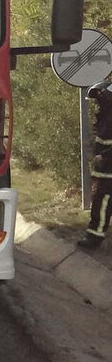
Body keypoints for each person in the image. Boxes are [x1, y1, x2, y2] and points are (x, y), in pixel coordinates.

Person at [78, 79, 112, 249]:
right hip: (106, 170)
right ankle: (94, 236)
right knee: (101, 202)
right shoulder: (106, 116)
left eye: (99, 98)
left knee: (103, 202)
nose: (98, 103)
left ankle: (94, 238)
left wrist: (103, 157)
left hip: (109, 170)